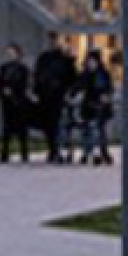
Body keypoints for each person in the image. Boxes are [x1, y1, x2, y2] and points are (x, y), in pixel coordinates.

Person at [33, 34, 77, 163]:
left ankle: (58, 150)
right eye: (51, 40)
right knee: (48, 124)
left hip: (59, 97)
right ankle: (53, 149)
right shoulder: (43, 58)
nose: (53, 43)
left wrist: (69, 93)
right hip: (45, 96)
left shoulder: (65, 59)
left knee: (59, 124)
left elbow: (73, 78)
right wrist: (36, 91)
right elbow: (37, 75)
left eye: (56, 40)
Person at [73, 50, 114, 166]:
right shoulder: (84, 74)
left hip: (100, 107)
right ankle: (87, 153)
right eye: (89, 61)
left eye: (92, 61)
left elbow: (108, 88)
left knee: (99, 131)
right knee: (86, 130)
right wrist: (72, 94)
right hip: (87, 106)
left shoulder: (102, 74)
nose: (90, 63)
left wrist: (105, 96)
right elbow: (77, 86)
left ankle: (102, 153)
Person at [0, 43, 31, 164]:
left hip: (19, 102)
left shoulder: (23, 69)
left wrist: (14, 92)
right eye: (8, 53)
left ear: (18, 54)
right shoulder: (3, 68)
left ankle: (24, 153)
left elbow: (25, 85)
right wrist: (1, 92)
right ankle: (5, 153)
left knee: (22, 129)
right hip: (7, 103)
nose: (10, 55)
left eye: (12, 53)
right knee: (6, 129)